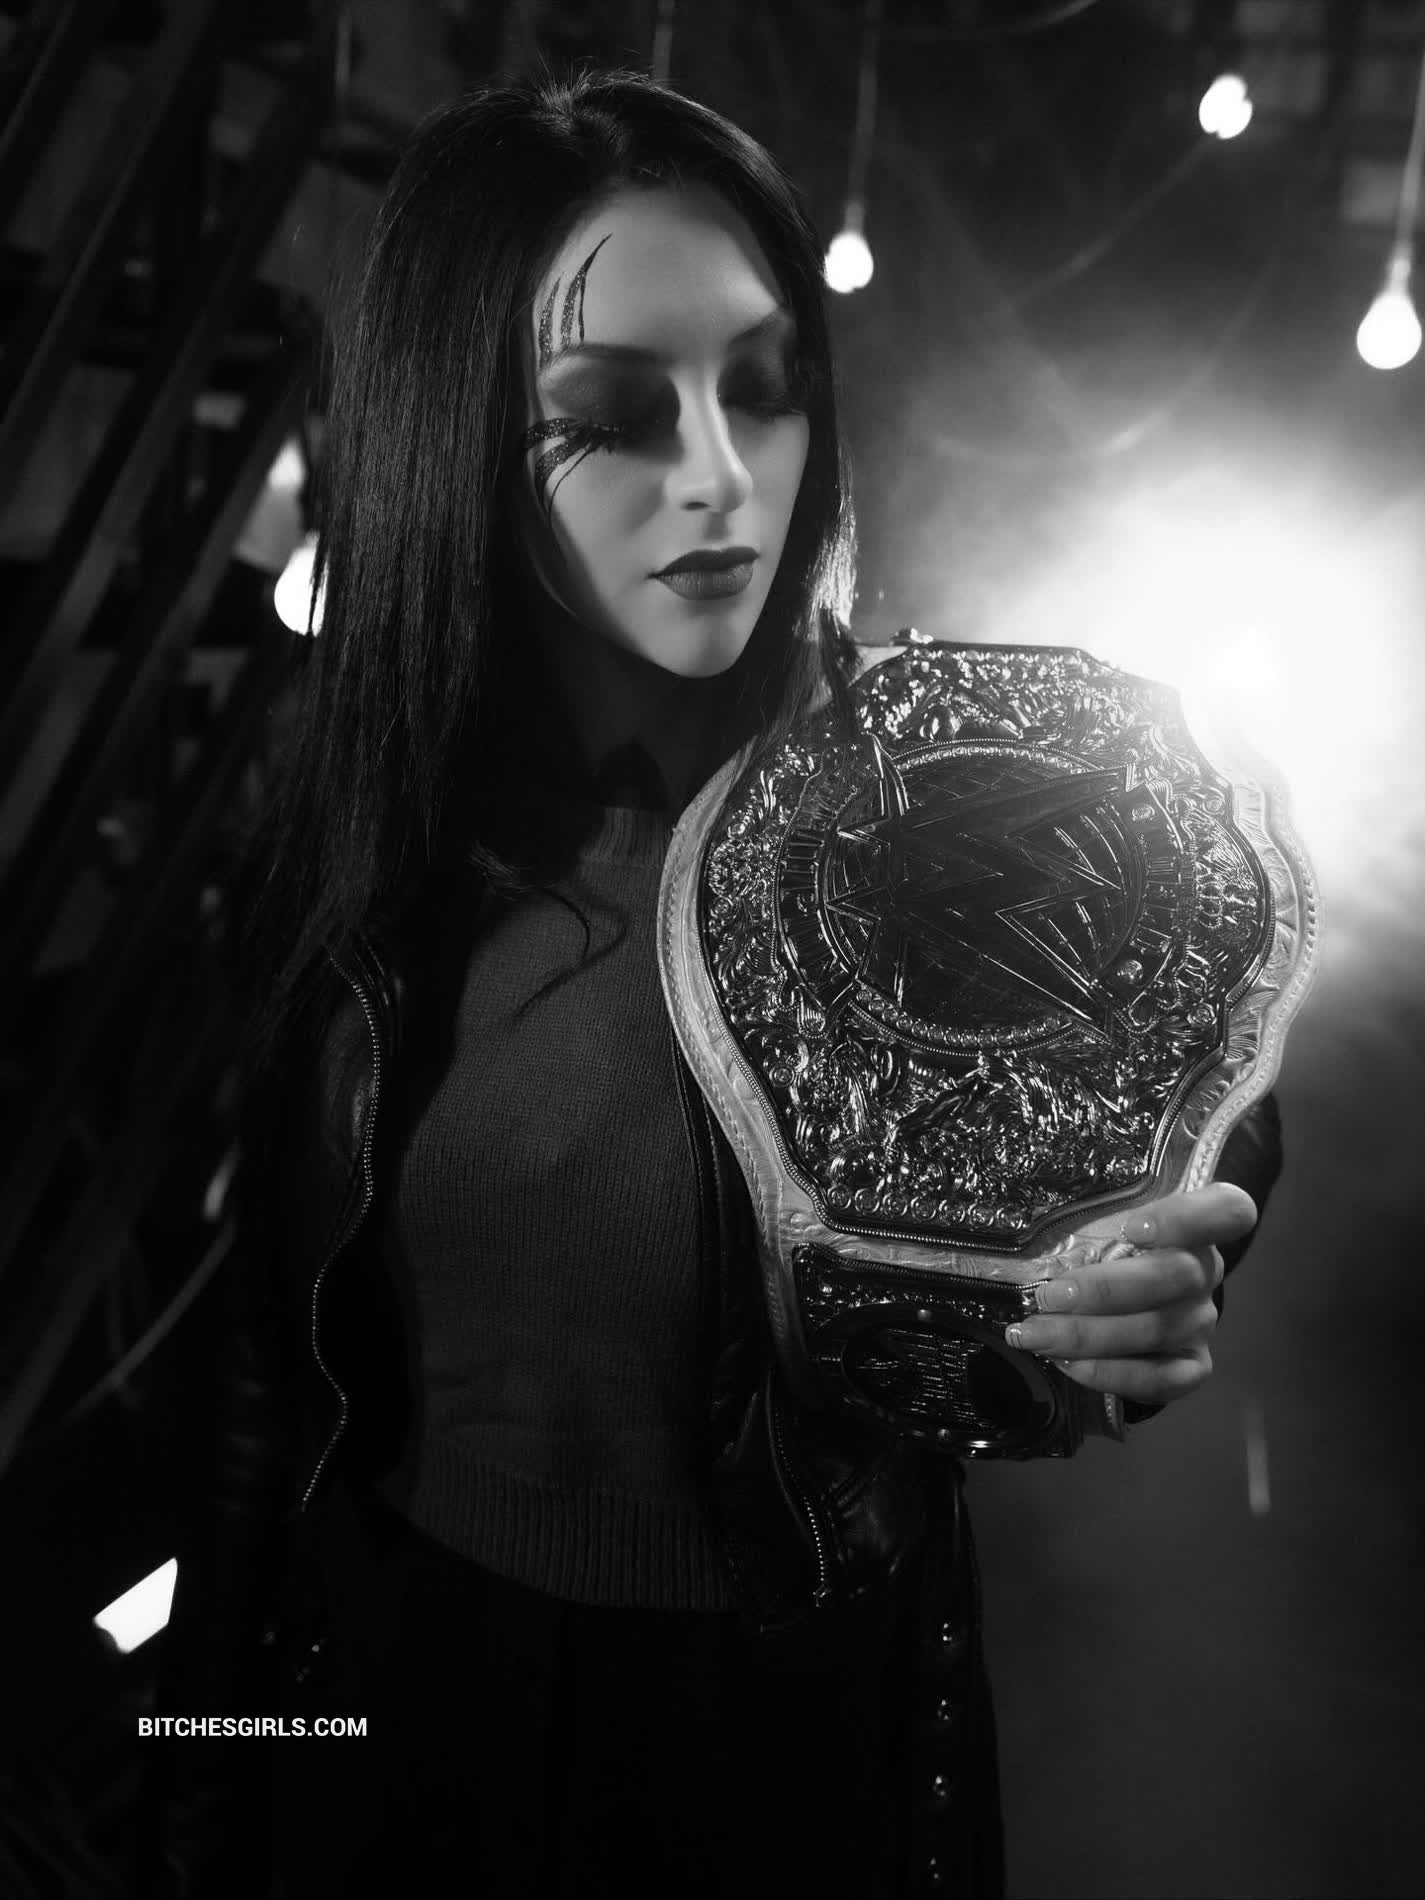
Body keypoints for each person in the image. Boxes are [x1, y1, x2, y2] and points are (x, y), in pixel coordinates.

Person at [144, 67, 1283, 1900]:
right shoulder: (366, 832)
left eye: (761, 386)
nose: (722, 476)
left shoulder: (939, 815)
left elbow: (1170, 1103)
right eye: (608, 417)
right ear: (454, 438)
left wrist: (1119, 1294)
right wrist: (202, 1800)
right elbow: (259, 1403)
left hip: (767, 1763)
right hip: (385, 1735)